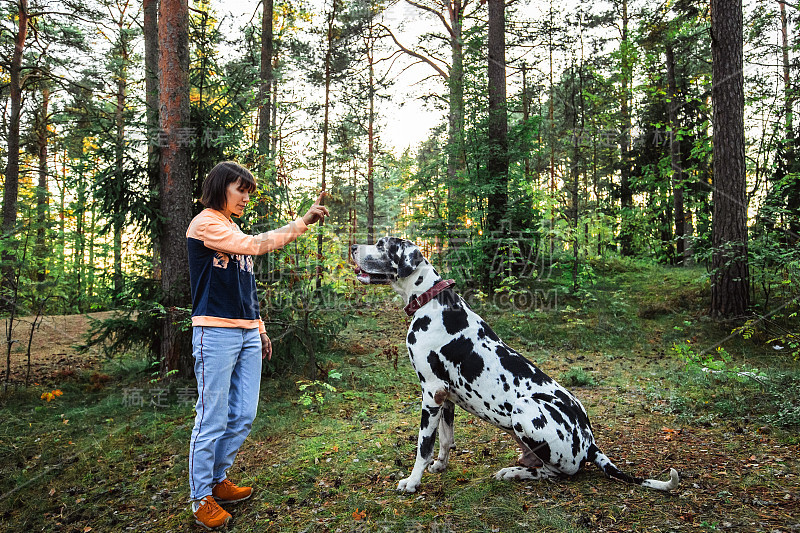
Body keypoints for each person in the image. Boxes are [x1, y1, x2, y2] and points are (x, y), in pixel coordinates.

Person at [185, 161, 328, 530]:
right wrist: (302, 223)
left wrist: (260, 328)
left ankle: (219, 479)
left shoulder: (231, 228)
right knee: (212, 417)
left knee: (243, 415)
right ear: (220, 189)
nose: (246, 198)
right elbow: (255, 246)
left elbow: (244, 287)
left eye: (248, 192)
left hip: (247, 331)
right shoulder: (206, 223)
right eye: (240, 190)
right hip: (214, 332)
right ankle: (201, 497)